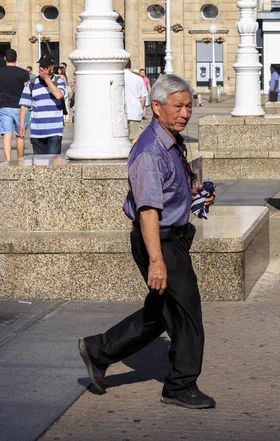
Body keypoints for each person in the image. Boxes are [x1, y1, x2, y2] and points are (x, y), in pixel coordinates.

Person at [78, 74, 217, 410]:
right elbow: (148, 212)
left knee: (161, 314)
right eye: (178, 106)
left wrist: (195, 195)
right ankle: (180, 386)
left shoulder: (172, 141)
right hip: (160, 242)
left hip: (172, 238)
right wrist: (157, 261)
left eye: (188, 106)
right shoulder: (148, 152)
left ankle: (98, 350)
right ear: (156, 107)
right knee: (186, 316)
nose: (185, 113)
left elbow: (168, 191)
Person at [18, 54, 66, 155]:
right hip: (37, 131)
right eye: (41, 66)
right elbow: (24, 106)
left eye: (45, 67)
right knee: (39, 166)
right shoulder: (31, 84)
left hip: (54, 130)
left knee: (54, 165)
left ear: (52, 67)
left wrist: (47, 79)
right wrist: (22, 125)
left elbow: (58, 95)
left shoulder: (59, 81)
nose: (42, 69)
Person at [0, 49, 30, 161]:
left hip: (4, 106)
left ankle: (8, 161)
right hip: (20, 107)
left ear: (5, 59)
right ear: (16, 59)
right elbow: (27, 90)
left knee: (7, 135)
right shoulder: (24, 73)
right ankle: (20, 160)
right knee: (20, 134)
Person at [124, 60, 148, 144]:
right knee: (134, 137)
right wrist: (141, 109)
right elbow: (143, 97)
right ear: (130, 66)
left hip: (120, 111)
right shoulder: (138, 79)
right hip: (134, 111)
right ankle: (134, 156)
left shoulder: (118, 77)